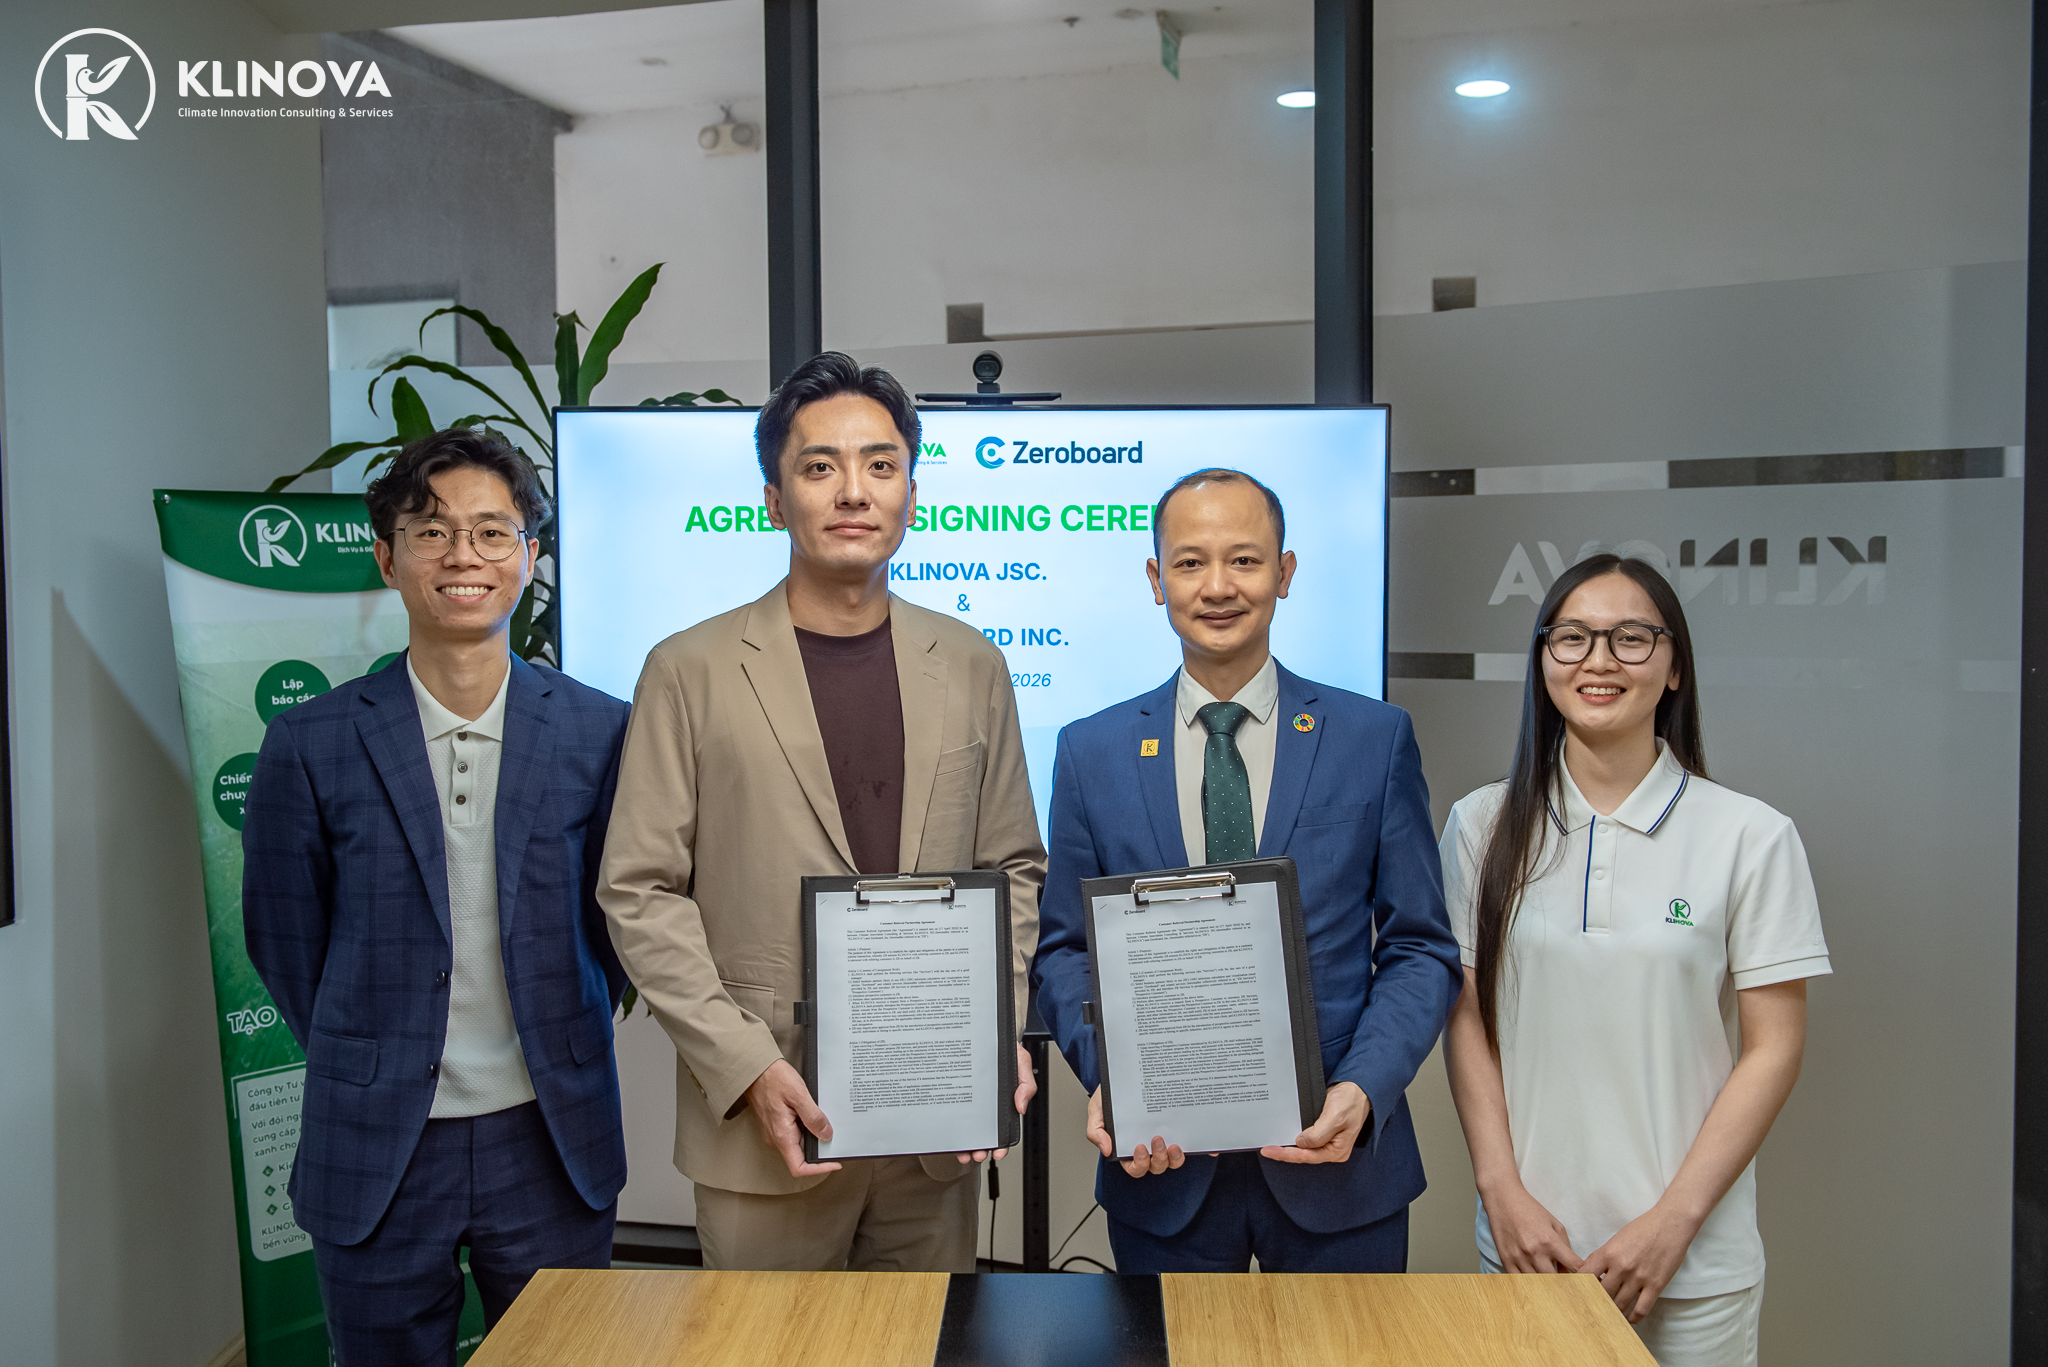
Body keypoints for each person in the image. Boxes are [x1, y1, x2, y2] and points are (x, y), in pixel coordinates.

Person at [598, 351, 1044, 1272]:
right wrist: (745, 1066)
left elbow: (1012, 867)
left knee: (925, 1338)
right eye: (819, 466)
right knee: (772, 1343)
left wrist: (991, 1028)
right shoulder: (688, 670)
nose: (853, 490)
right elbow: (639, 889)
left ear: (911, 493)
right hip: (769, 1123)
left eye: (880, 465)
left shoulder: (973, 664)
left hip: (932, 1130)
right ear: (774, 499)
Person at [242, 429, 632, 1366]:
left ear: (528, 557)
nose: (464, 555)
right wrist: (375, 1050)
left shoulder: (601, 730)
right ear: (388, 558)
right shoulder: (310, 742)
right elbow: (286, 941)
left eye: (493, 532)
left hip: (550, 1130)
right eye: (431, 531)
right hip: (376, 1137)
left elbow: (618, 921)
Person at [1029, 467, 1460, 1273]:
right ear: (1156, 578)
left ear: (1285, 573)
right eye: (1190, 562)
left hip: (1339, 1167)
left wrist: (1364, 1089)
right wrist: (1114, 1077)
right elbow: (1062, 951)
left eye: (1245, 560)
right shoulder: (1091, 751)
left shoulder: (1374, 738)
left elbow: (1420, 946)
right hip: (1163, 1175)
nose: (1218, 586)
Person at [1440, 554, 1830, 1367]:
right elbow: (1466, 1017)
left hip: (1691, 1262)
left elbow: (1774, 1049)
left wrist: (1673, 1222)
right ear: (1543, 659)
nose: (1599, 660)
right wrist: (1499, 1192)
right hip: (1530, 1248)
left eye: (1631, 638)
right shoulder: (1481, 824)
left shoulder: (1751, 835)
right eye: (1572, 637)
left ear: (1674, 665)